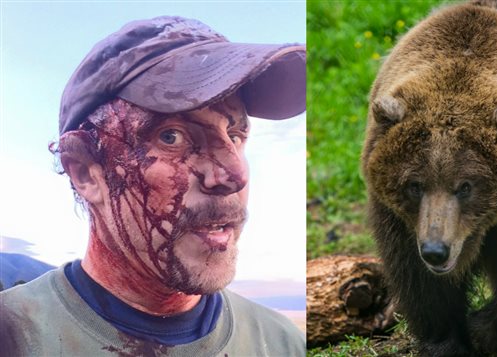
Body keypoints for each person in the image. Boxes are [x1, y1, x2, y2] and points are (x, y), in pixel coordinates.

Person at [0, 16, 306, 356]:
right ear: (85, 172)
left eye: (235, 136)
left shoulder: (283, 344)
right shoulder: (14, 336)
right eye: (171, 136)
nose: (234, 174)